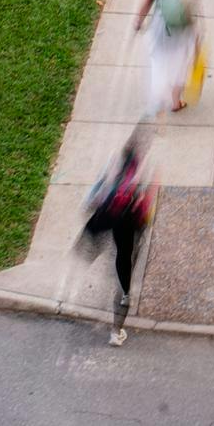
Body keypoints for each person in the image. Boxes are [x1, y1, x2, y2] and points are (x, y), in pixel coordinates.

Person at [81, 128, 157, 346]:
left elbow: (95, 192)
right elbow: (146, 203)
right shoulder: (142, 170)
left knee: (117, 257)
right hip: (131, 224)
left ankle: (112, 278)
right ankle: (116, 329)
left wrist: (93, 206)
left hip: (112, 219)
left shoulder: (115, 163)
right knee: (125, 264)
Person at [136, 0, 199, 115]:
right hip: (182, 27)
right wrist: (196, 25)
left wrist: (139, 21)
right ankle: (176, 101)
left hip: (160, 24)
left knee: (159, 59)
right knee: (181, 61)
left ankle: (158, 96)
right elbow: (193, 2)